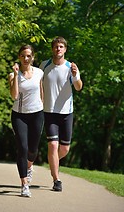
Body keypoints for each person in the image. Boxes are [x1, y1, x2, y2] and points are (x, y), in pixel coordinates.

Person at [40, 36, 82, 192]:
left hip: (66, 113)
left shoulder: (71, 67)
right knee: (52, 145)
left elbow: (78, 87)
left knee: (64, 150)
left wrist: (76, 75)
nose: (58, 49)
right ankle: (56, 180)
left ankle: (52, 160)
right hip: (49, 112)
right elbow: (38, 86)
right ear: (52, 49)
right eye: (56, 46)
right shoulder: (44, 65)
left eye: (61, 47)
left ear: (65, 49)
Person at [8, 45, 44, 197]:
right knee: (22, 148)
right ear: (19, 57)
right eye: (23, 55)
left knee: (33, 150)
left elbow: (42, 93)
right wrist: (16, 75)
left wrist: (44, 109)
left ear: (32, 57)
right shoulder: (13, 74)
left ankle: (29, 167)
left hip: (37, 114)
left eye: (28, 56)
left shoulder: (39, 73)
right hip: (19, 116)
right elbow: (14, 95)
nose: (25, 58)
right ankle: (24, 184)